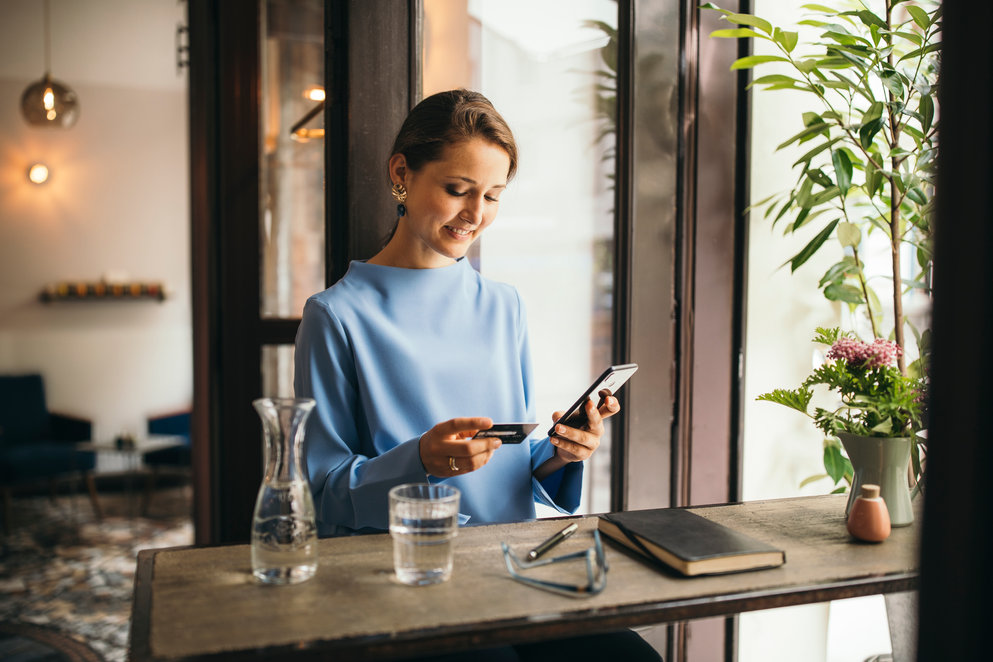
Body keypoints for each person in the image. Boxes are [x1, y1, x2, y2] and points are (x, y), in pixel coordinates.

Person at [295, 88, 661, 662]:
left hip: (515, 565)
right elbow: (323, 494)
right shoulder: (336, 316)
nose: (475, 215)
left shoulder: (503, 305)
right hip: (410, 574)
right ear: (402, 173)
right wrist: (419, 460)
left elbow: (510, 457)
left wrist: (563, 453)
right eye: (457, 190)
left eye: (492, 196)